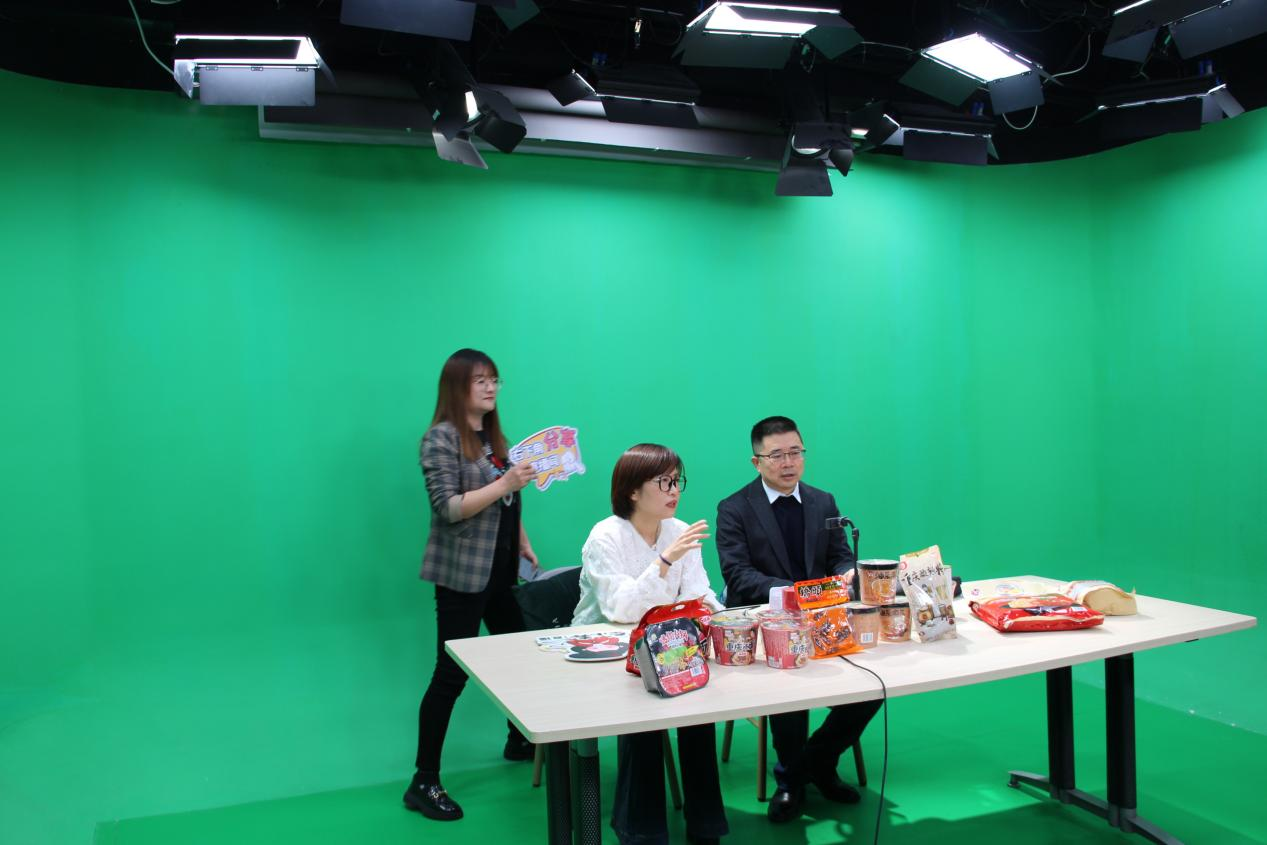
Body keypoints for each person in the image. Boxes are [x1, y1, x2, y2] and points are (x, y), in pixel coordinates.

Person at [715, 415, 881, 824]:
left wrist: (846, 572)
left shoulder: (823, 501)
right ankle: (790, 780)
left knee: (873, 684)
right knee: (788, 683)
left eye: (795, 452)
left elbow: (840, 556)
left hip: (824, 623)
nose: (788, 462)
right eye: (776, 455)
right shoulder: (734, 508)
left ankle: (817, 761)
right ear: (756, 461)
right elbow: (738, 576)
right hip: (767, 626)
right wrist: (797, 593)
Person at [404, 348, 539, 822]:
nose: (489, 387)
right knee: (451, 673)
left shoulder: (493, 439)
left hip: (500, 571)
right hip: (463, 576)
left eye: (494, 379)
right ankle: (423, 781)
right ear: (456, 386)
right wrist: (506, 484)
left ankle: (519, 739)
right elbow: (448, 507)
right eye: (479, 380)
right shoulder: (440, 439)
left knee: (518, 653)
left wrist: (522, 541)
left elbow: (504, 502)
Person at [573, 443, 729, 845]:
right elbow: (620, 609)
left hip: (665, 647)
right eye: (664, 482)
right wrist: (664, 561)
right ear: (632, 491)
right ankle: (640, 831)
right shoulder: (605, 537)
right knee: (642, 717)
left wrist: (726, 619)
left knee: (699, 708)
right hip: (605, 652)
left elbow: (697, 594)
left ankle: (706, 827)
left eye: (677, 481)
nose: (674, 490)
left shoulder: (679, 531)